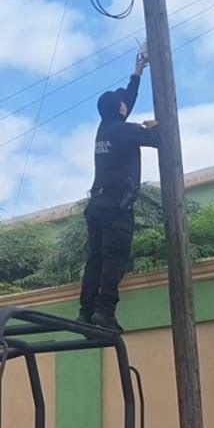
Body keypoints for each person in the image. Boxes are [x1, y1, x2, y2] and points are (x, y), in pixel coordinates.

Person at [78, 50, 159, 333]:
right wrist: (156, 125)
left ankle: (86, 313)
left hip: (97, 204)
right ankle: (105, 312)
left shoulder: (105, 128)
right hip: (115, 209)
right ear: (121, 111)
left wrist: (137, 73)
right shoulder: (126, 131)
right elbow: (160, 140)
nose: (126, 104)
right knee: (114, 258)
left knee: (96, 259)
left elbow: (126, 100)